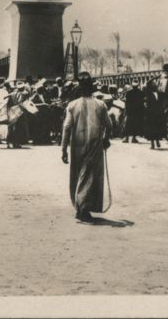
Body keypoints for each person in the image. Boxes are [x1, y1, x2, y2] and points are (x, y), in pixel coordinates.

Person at [61, 71, 113, 223]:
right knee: (89, 176)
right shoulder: (100, 104)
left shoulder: (72, 105)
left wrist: (64, 149)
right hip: (94, 144)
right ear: (92, 88)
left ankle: (80, 207)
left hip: (77, 144)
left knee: (78, 175)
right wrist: (106, 139)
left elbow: (66, 127)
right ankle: (83, 208)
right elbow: (109, 125)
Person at [145, 80, 166, 149]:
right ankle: (152, 144)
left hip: (157, 113)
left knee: (157, 128)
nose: (155, 85)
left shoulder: (159, 93)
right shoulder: (149, 93)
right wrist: (154, 77)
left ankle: (157, 142)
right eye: (154, 84)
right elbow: (147, 83)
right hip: (151, 113)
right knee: (151, 129)